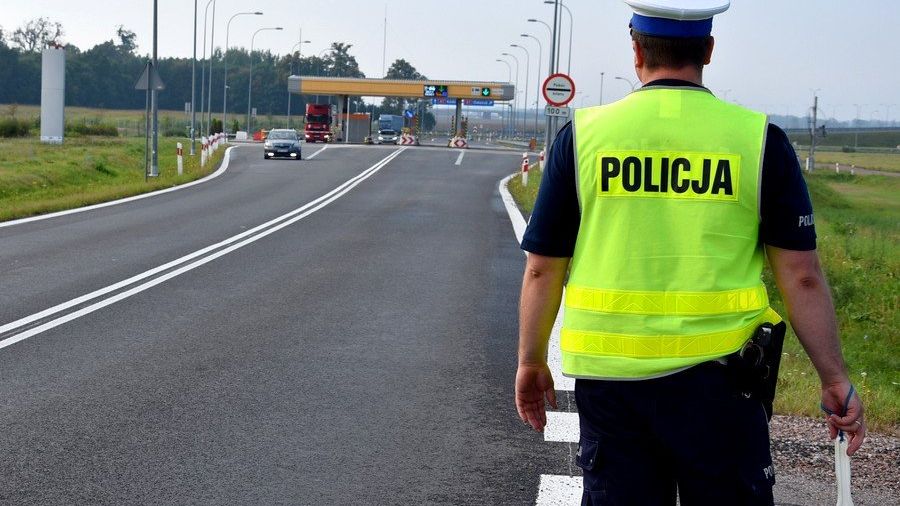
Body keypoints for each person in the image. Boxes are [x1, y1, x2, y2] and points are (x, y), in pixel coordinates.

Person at [514, 1, 866, 504]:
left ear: (636, 51)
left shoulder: (584, 137)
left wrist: (531, 360)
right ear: (709, 50)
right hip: (723, 385)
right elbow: (802, 276)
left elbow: (542, 270)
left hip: (613, 386)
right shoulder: (758, 141)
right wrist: (834, 377)